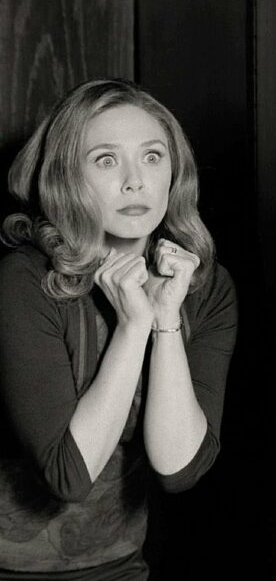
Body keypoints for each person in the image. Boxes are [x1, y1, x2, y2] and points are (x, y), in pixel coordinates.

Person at [0, 78, 237, 579]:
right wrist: (133, 326)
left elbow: (179, 469)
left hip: (120, 566)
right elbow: (69, 475)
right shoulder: (24, 279)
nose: (135, 181)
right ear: (67, 177)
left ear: (175, 171)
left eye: (152, 156)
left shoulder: (203, 286)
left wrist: (165, 320)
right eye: (106, 160)